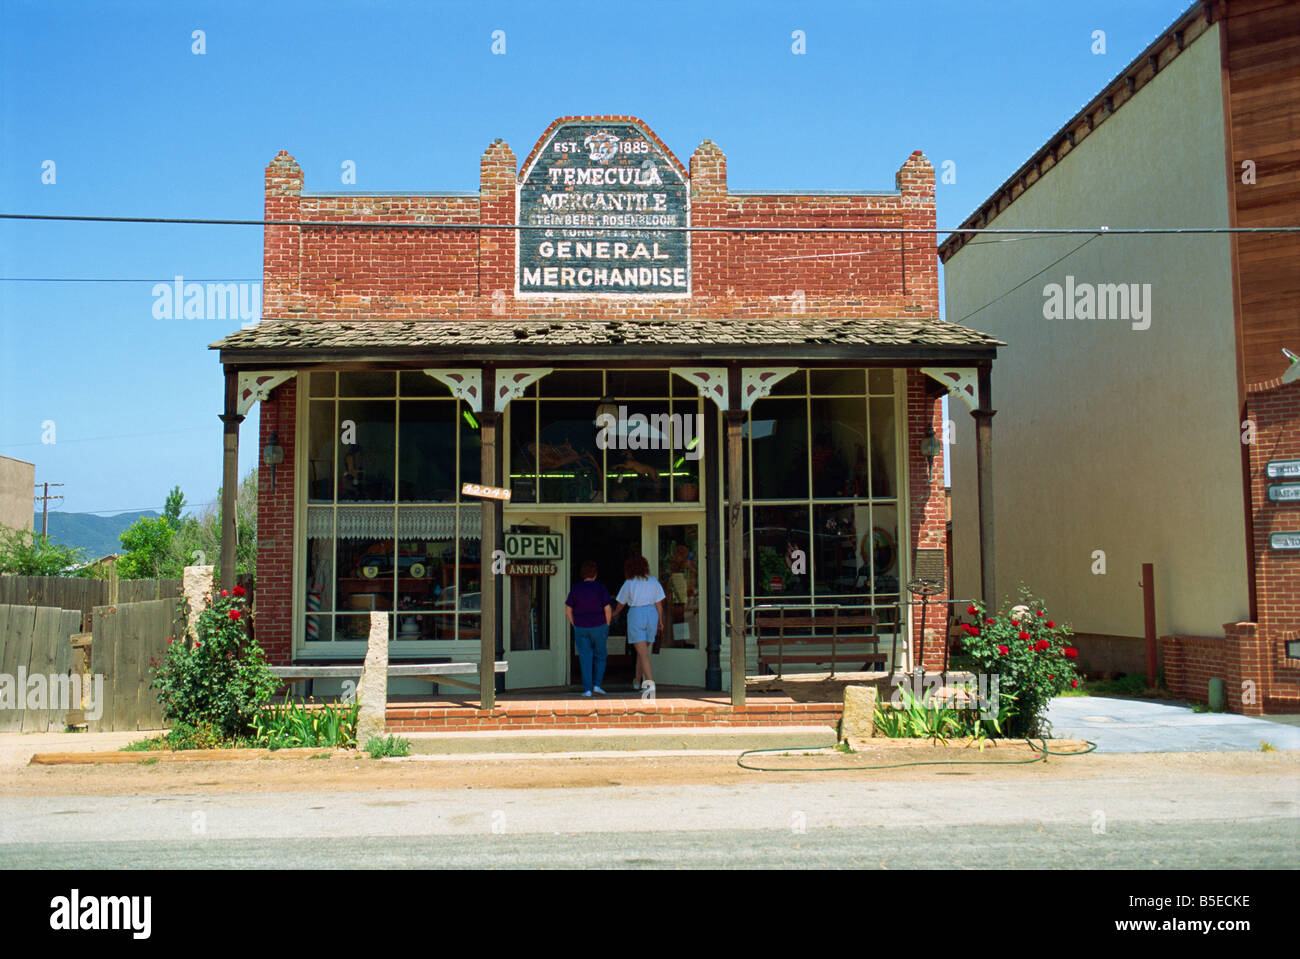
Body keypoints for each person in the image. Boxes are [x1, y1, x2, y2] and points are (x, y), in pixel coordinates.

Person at [611, 554, 665, 693]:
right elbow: (659, 604)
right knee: (642, 652)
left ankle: (650, 685)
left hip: (636, 614)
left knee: (643, 653)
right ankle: (637, 680)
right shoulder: (653, 581)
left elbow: (620, 603)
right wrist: (660, 621)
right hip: (651, 614)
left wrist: (614, 614)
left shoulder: (629, 582)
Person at [565, 560, 612, 697]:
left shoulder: (576, 588)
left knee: (585, 657)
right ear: (595, 574)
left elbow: (568, 610)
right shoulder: (601, 587)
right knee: (601, 656)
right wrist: (607, 624)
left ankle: (587, 689)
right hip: (599, 626)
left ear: (582, 574)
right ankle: (597, 685)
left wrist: (574, 623)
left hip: (581, 627)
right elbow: (607, 608)